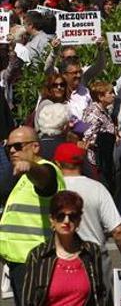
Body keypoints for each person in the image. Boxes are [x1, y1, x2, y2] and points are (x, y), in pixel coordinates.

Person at [55, 143, 121, 293]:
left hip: (60, 260)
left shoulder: (53, 189)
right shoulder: (97, 188)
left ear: (57, 163)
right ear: (82, 162)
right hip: (95, 259)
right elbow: (119, 232)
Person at [0, 126, 66, 303]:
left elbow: (45, 179)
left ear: (35, 147)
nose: (12, 150)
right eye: (9, 147)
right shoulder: (19, 176)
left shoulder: (45, 169)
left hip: (36, 260)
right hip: (18, 260)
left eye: (18, 146)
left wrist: (30, 167)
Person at [22, 190, 107, 306]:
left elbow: (101, 295)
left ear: (79, 221)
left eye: (72, 217)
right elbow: (28, 301)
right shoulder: (38, 255)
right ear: (52, 219)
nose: (66, 221)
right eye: (60, 216)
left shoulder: (91, 251)